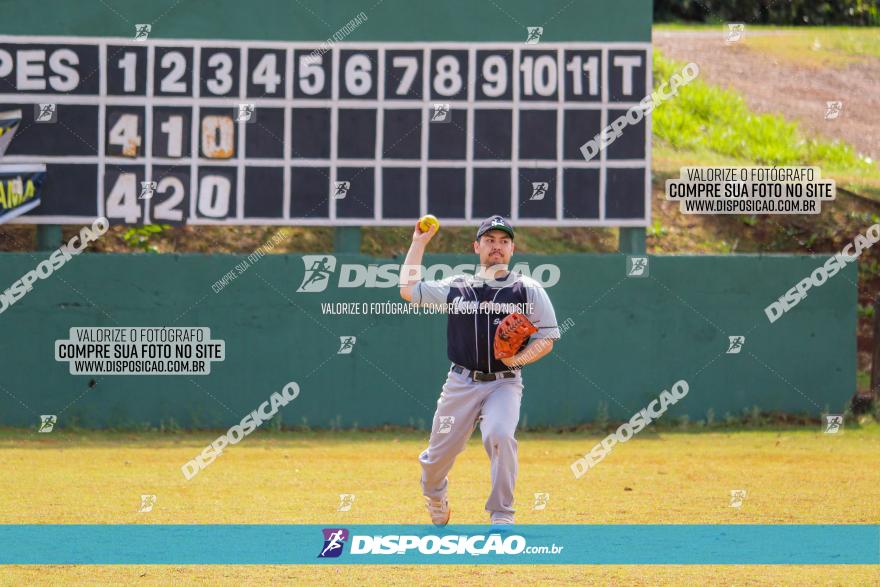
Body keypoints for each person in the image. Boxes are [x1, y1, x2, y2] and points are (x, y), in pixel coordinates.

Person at [399, 215, 560, 526]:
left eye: (503, 241)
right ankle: (435, 494)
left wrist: (520, 359)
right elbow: (408, 289)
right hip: (460, 382)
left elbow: (548, 337)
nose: (496, 247)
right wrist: (418, 243)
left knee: (500, 435)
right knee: (436, 457)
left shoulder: (527, 290)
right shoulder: (456, 287)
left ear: (513, 249)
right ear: (476, 247)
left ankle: (502, 514)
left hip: (504, 383)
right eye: (489, 240)